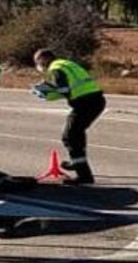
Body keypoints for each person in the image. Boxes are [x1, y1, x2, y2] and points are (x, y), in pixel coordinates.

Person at [31, 49, 107, 184]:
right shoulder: (66, 63)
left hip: (85, 103)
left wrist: (46, 91)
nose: (38, 66)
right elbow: (72, 87)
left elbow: (64, 90)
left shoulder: (55, 69)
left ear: (43, 60)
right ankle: (77, 163)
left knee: (69, 136)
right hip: (95, 100)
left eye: (38, 62)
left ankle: (84, 175)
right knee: (76, 134)